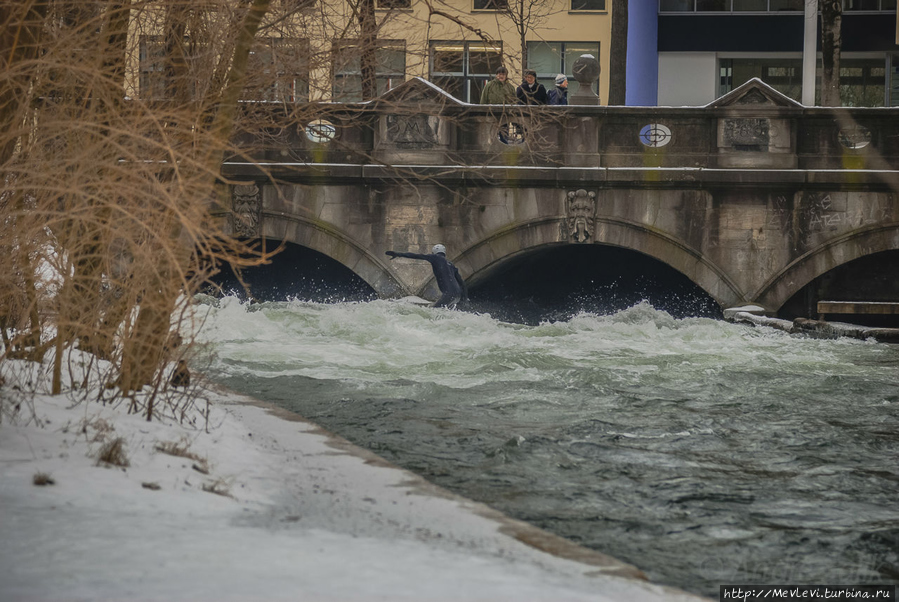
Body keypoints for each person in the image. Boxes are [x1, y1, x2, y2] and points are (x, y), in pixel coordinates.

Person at [385, 244, 469, 309]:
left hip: (449, 294)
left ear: (434, 252)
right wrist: (464, 299)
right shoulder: (451, 265)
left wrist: (399, 254)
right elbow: (462, 283)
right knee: (447, 312)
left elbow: (417, 256)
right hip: (458, 294)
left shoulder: (435, 257)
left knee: (435, 312)